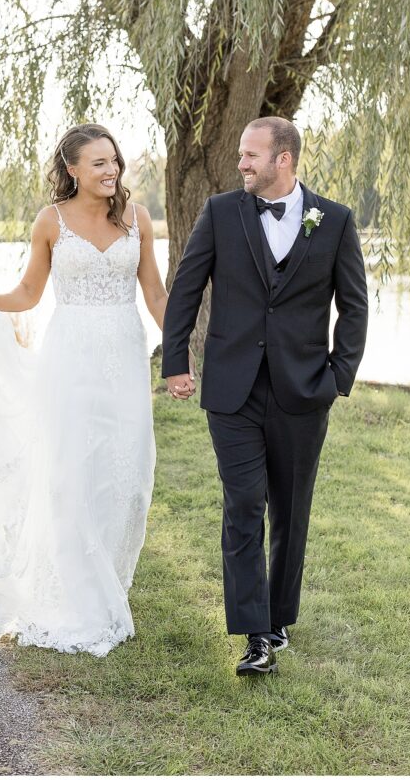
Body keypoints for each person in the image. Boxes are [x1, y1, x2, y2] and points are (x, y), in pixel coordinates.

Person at [0, 123, 173, 656]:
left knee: (126, 475)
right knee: (71, 475)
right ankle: (80, 599)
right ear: (72, 170)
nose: (111, 171)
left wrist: (179, 351)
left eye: (115, 162)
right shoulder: (50, 222)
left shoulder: (138, 218)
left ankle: (110, 583)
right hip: (71, 357)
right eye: (98, 163)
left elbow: (154, 292)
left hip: (125, 355)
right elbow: (28, 293)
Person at [162, 116, 368, 677]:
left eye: (251, 155)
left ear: (284, 159)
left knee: (291, 510)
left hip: (303, 392)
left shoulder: (335, 221)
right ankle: (254, 634)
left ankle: (279, 617)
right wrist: (176, 360)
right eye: (239, 154)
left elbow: (354, 306)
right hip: (232, 389)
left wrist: (337, 377)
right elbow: (186, 287)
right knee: (245, 503)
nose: (241, 164)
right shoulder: (221, 213)